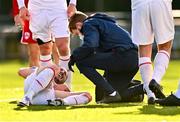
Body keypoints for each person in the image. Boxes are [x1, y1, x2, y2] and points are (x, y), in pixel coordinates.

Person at [68, 11, 144, 103]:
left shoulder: (89, 24)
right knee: (116, 95)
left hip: (122, 56)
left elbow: (91, 45)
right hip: (133, 59)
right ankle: (146, 87)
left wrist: (74, 56)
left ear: (79, 25)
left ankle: (112, 93)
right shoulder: (104, 23)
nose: (80, 36)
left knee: (81, 61)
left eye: (77, 34)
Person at [17, 0, 77, 89]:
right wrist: (21, 6)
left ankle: (66, 87)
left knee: (63, 47)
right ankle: (48, 88)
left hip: (58, 8)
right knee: (45, 49)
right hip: (37, 9)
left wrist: (72, 3)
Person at [131, 0, 175, 104]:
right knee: (165, 46)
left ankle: (150, 94)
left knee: (144, 49)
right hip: (160, 2)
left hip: (139, 3)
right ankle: (155, 80)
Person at [17, 64, 92, 107]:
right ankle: (27, 97)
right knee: (51, 69)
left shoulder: (53, 92)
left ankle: (63, 102)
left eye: (64, 75)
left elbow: (84, 95)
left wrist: (87, 95)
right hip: (31, 87)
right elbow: (21, 71)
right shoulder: (46, 69)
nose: (62, 72)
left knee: (88, 96)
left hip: (40, 100)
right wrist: (46, 67)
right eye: (62, 70)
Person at [13, 0, 60, 66]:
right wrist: (16, 13)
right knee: (33, 53)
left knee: (56, 50)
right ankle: (37, 75)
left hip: (51, 12)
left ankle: (59, 74)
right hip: (30, 14)